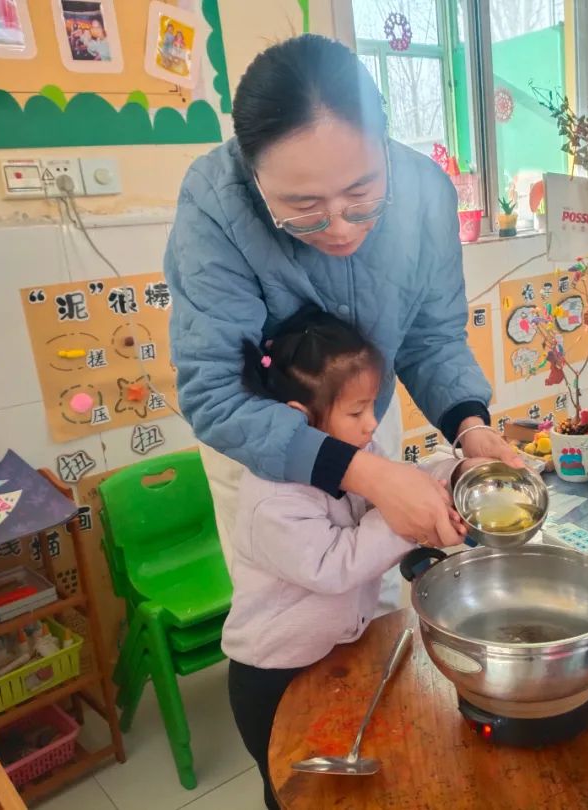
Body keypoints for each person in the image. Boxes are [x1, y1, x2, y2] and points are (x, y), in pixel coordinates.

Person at [164, 35, 519, 570]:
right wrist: (367, 475)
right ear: (254, 174)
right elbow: (216, 394)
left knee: (373, 601)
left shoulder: (424, 191)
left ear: (384, 143)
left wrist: (471, 427)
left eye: (363, 194)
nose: (339, 228)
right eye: (304, 208)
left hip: (363, 423)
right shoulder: (215, 204)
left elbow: (431, 338)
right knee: (292, 621)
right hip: (262, 446)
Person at [223, 307, 470, 809]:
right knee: (294, 791)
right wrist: (407, 517)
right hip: (274, 674)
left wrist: (452, 474)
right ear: (298, 418)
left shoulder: (359, 448)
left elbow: (393, 483)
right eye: (356, 412)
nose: (372, 424)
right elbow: (333, 566)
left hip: (340, 654)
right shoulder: (273, 496)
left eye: (373, 407)